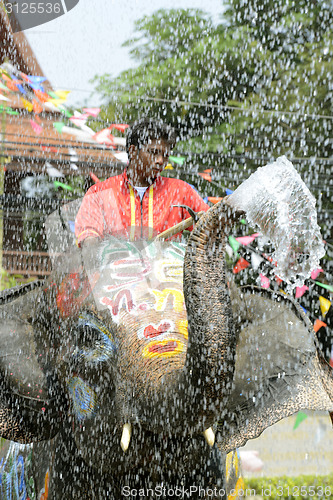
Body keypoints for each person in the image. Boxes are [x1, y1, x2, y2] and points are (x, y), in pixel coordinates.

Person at [75, 118, 209, 245]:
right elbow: (88, 233)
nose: (160, 161)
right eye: (154, 152)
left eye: (165, 155)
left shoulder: (180, 191)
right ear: (133, 151)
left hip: (164, 268)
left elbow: (210, 225)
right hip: (116, 268)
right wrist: (92, 245)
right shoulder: (100, 192)